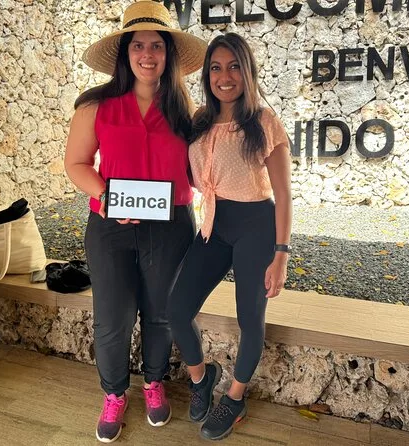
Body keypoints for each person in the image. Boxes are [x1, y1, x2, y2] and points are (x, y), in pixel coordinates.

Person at [63, 2, 207, 443]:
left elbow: (201, 172)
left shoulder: (186, 111)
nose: (148, 55)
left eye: (157, 46)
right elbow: (76, 164)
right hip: (111, 228)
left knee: (161, 314)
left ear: (169, 54)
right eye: (138, 45)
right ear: (126, 52)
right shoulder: (95, 106)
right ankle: (114, 393)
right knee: (112, 318)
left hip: (171, 226)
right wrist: (106, 196)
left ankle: (154, 382)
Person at [168, 32, 293, 441]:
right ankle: (202, 377)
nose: (225, 77)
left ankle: (235, 397)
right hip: (214, 225)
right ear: (207, 75)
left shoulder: (264, 122)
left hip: (256, 226)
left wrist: (281, 254)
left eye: (234, 67)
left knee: (249, 319)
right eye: (216, 68)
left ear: (248, 71)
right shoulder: (199, 121)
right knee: (176, 309)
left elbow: (284, 194)